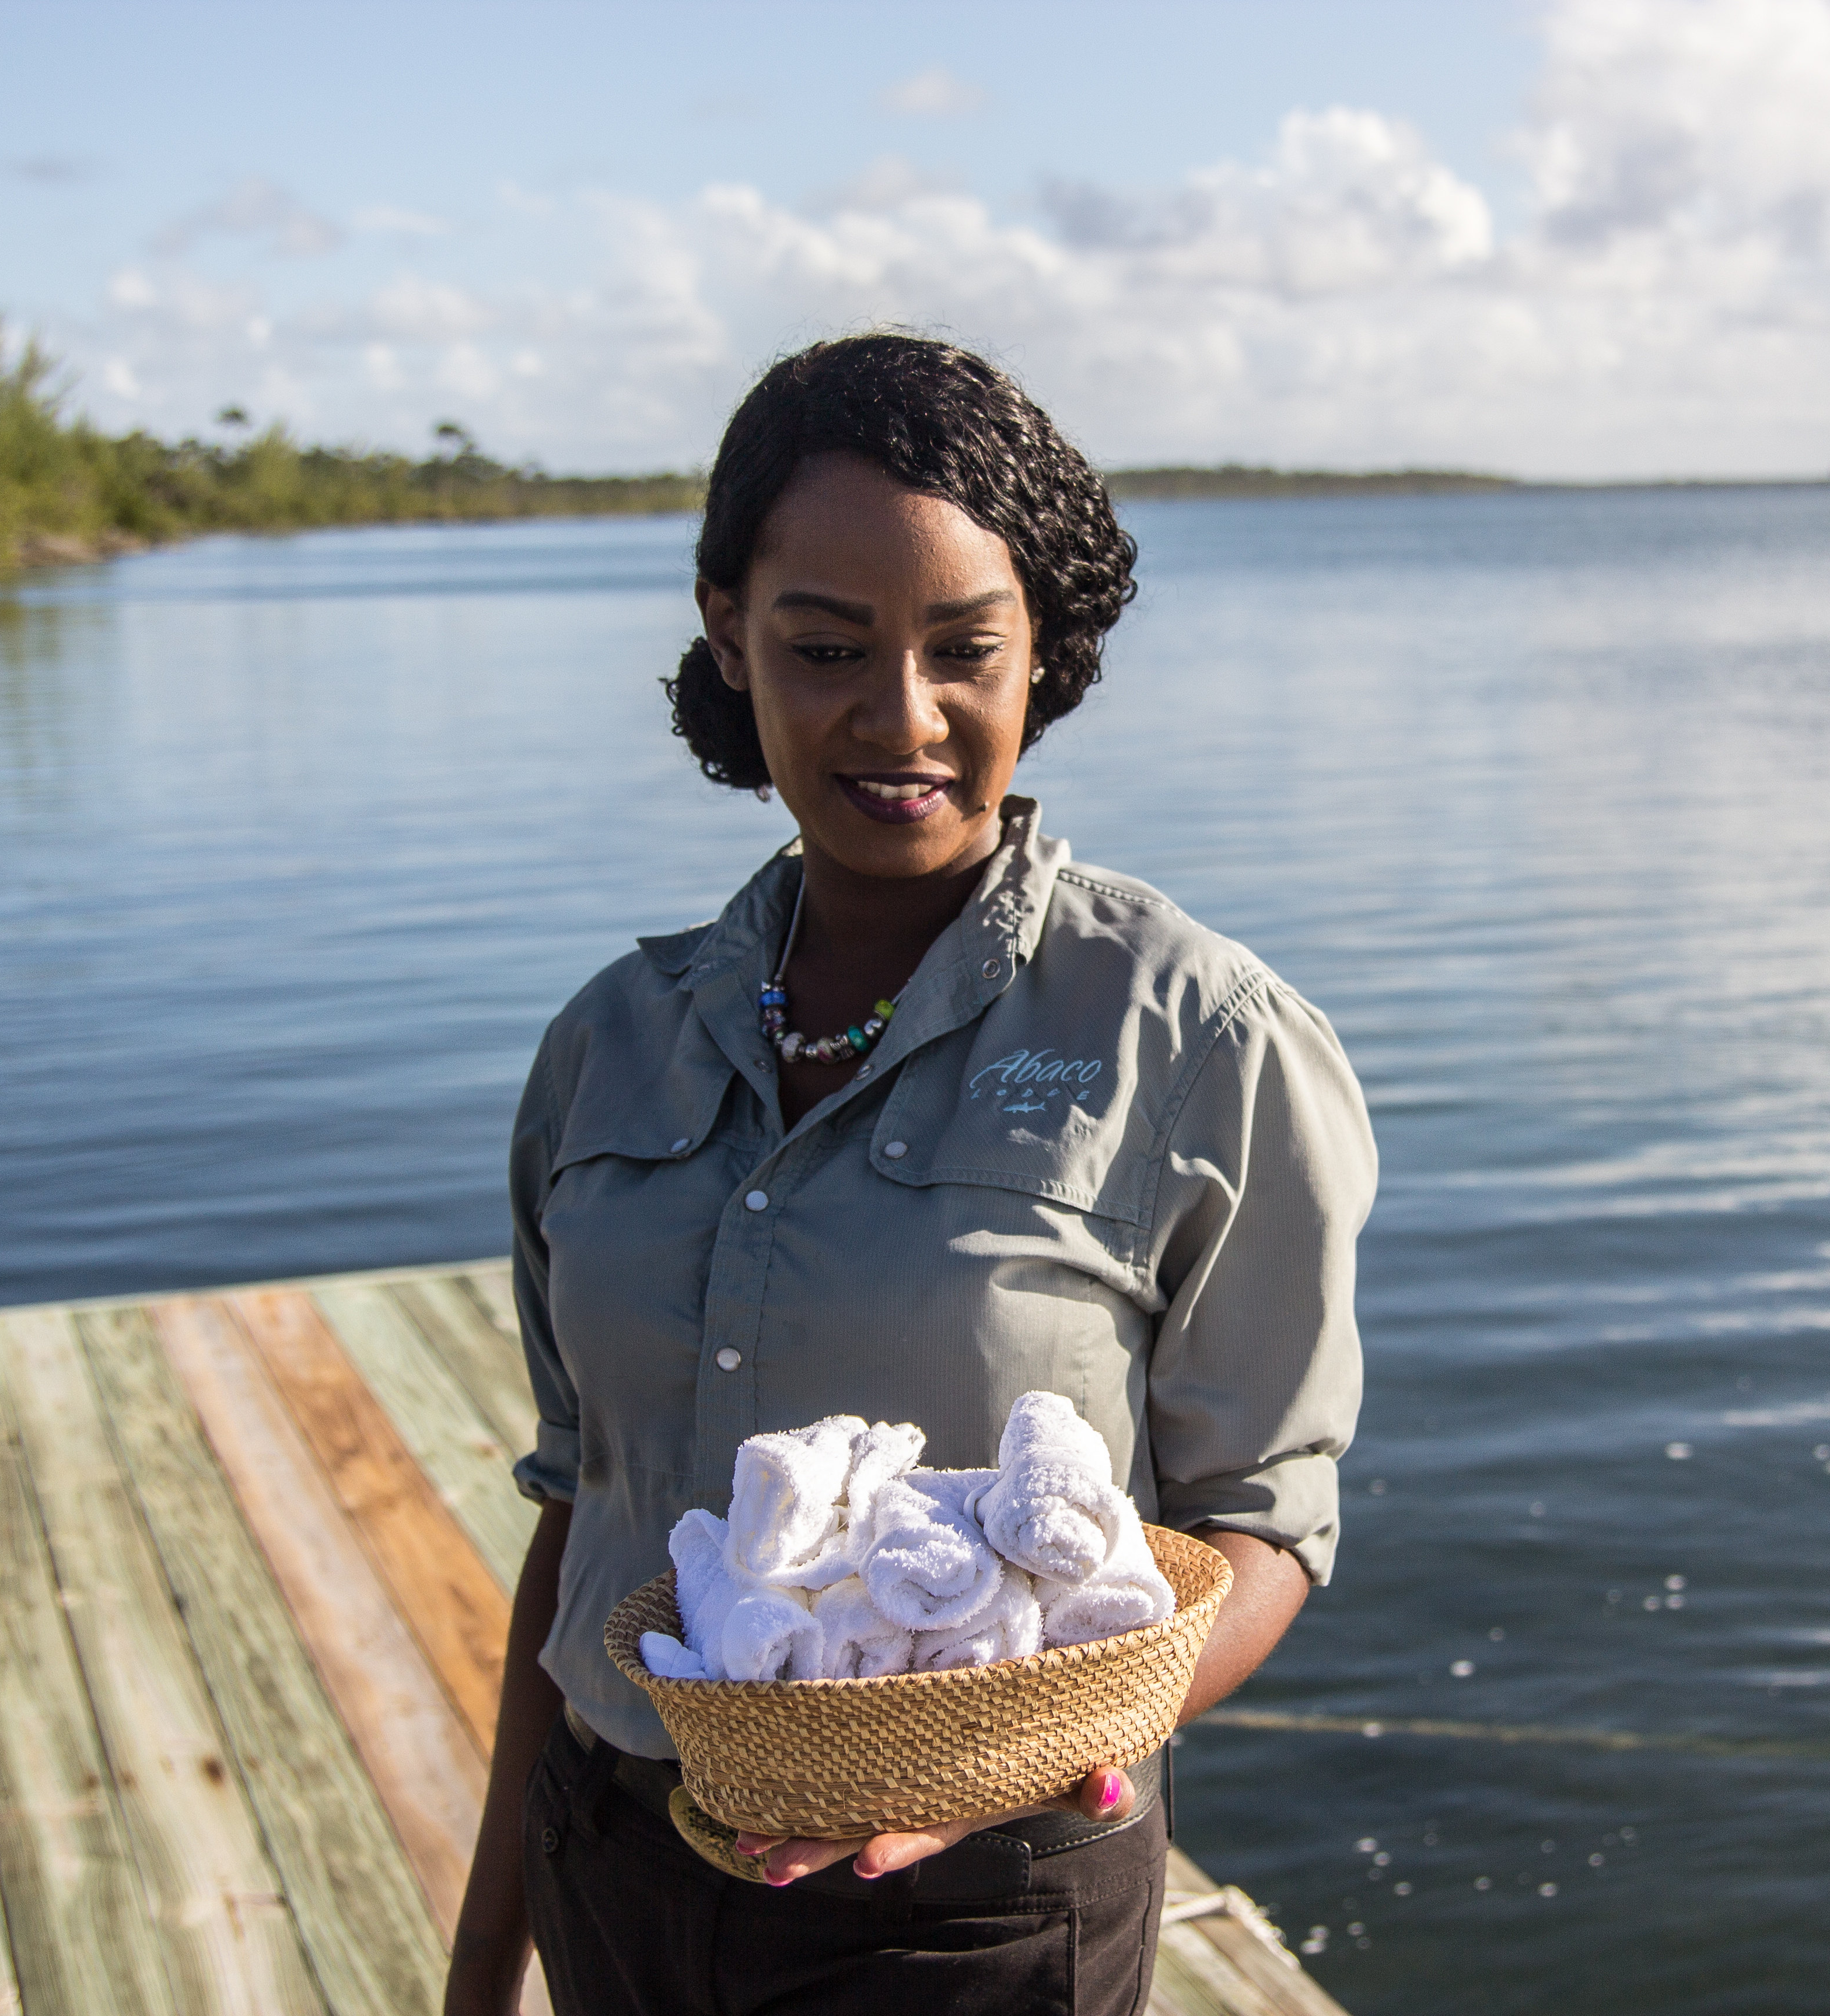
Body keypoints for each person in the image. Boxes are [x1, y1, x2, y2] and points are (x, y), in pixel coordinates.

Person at [443, 334, 1376, 2016]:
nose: (901, 719)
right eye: (825, 648)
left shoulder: (1202, 1040)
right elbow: (583, 1509)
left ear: (1045, 656)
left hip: (970, 1912)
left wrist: (1023, 1743)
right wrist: (482, 1958)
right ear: (731, 632)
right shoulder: (610, 1046)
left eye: (967, 650)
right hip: (615, 1863)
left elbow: (1261, 1529)